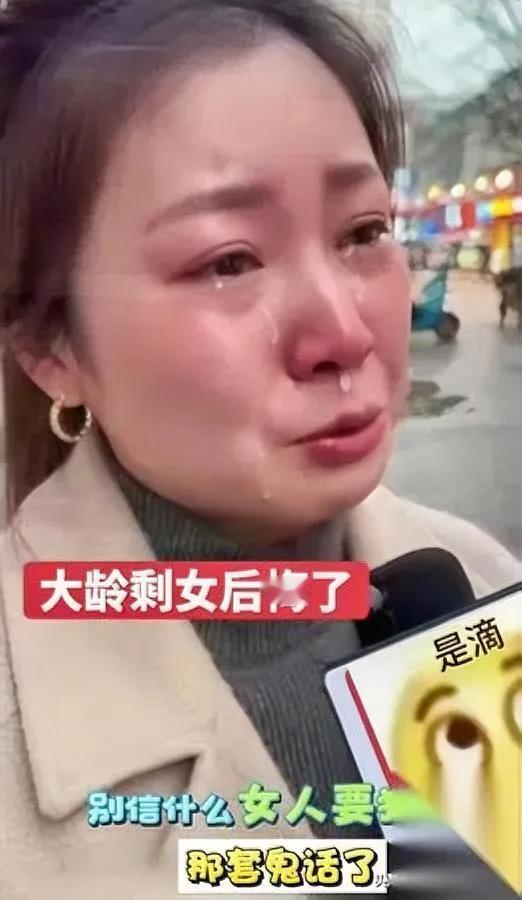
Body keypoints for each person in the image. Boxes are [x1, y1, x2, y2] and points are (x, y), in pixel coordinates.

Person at [0, 1, 520, 897]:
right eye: (228, 261)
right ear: (52, 348)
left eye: (363, 233)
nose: (345, 332)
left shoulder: (476, 580)